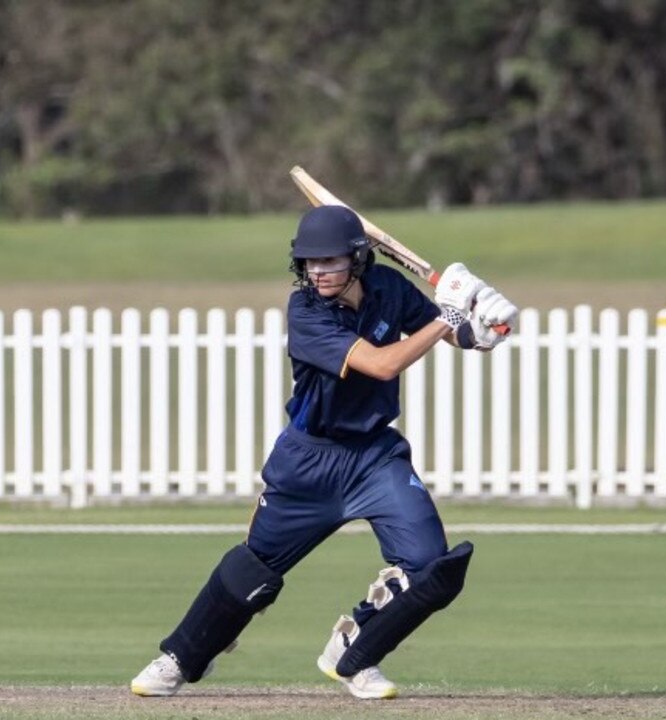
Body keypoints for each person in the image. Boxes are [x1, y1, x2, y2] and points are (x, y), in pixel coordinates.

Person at [130, 204, 517, 699]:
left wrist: (487, 326)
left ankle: (355, 651)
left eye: (328, 261)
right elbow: (380, 364)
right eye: (309, 263)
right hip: (309, 461)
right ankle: (178, 660)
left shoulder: (390, 290)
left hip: (375, 459)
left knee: (431, 568)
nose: (317, 272)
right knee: (252, 575)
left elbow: (459, 335)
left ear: (358, 260)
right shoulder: (306, 312)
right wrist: (448, 316)